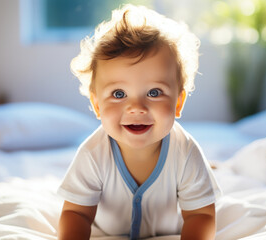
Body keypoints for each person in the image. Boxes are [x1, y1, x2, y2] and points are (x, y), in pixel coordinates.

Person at [57, 4, 221, 240]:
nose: (136, 107)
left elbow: (201, 215)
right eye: (119, 94)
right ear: (96, 105)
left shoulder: (185, 152)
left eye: (154, 92)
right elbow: (76, 213)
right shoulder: (93, 154)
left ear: (178, 102)